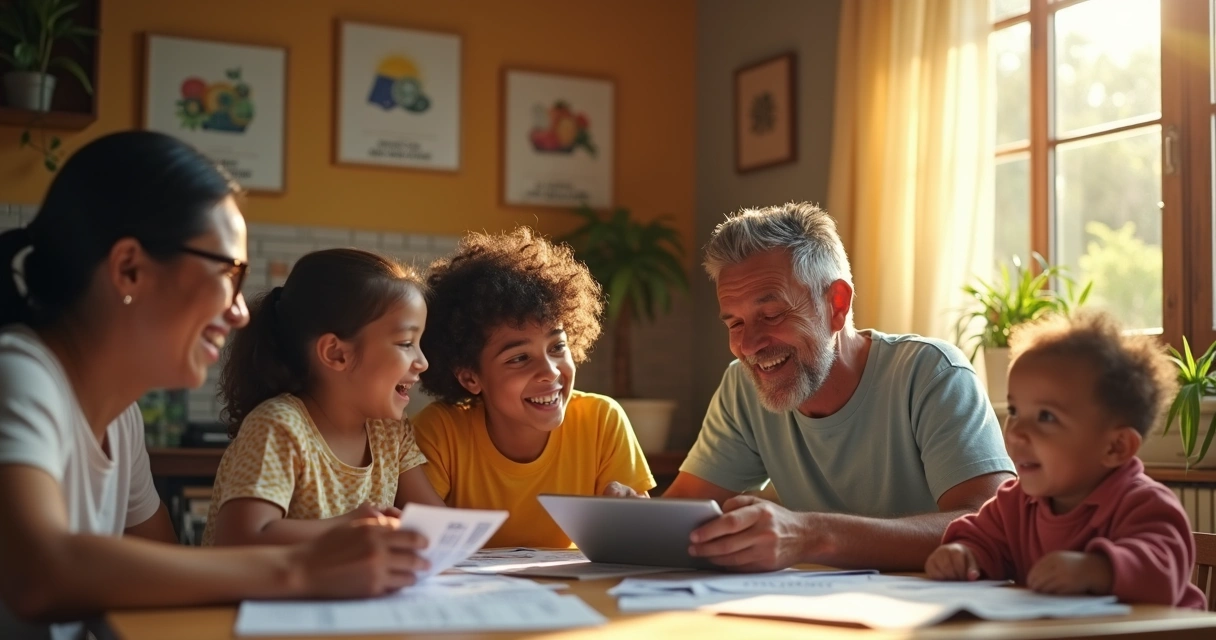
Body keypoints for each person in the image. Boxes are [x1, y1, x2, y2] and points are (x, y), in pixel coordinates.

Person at [0, 131, 429, 640]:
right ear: (129, 269)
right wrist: (304, 569)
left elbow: (161, 570)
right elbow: (40, 574)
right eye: (227, 273)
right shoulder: (19, 375)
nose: (239, 311)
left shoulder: (121, 419)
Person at [610, 202, 1015, 572]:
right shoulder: (742, 387)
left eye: (771, 314)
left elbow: (989, 523)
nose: (748, 345)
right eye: (733, 323)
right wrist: (637, 521)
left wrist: (809, 536)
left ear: (837, 304)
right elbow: (685, 512)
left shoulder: (931, 374)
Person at [926, 312, 1206, 609]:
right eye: (1015, 410)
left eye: (1046, 416)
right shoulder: (1015, 503)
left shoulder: (1145, 504)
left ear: (1115, 447)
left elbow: (1162, 575)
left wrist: (1097, 570)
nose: (1017, 431)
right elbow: (981, 540)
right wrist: (963, 554)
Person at [413, 228, 654, 548]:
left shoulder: (601, 420)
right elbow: (422, 542)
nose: (550, 371)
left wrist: (636, 518)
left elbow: (638, 540)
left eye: (557, 348)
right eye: (519, 358)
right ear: (471, 377)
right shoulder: (440, 430)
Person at [203, 248, 444, 547]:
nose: (422, 362)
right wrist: (350, 526)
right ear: (336, 353)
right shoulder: (279, 425)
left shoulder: (390, 432)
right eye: (406, 343)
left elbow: (438, 527)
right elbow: (240, 538)